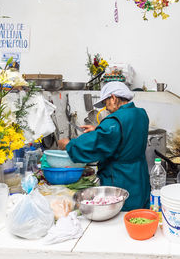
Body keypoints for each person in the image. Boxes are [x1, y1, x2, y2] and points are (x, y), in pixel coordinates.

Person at [58, 82, 150, 211]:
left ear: (113, 98)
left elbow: (94, 146)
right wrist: (98, 129)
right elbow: (125, 134)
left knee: (120, 219)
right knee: (139, 214)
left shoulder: (114, 121)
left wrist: (69, 144)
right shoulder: (141, 114)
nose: (106, 108)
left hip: (121, 180)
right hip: (140, 177)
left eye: (106, 103)